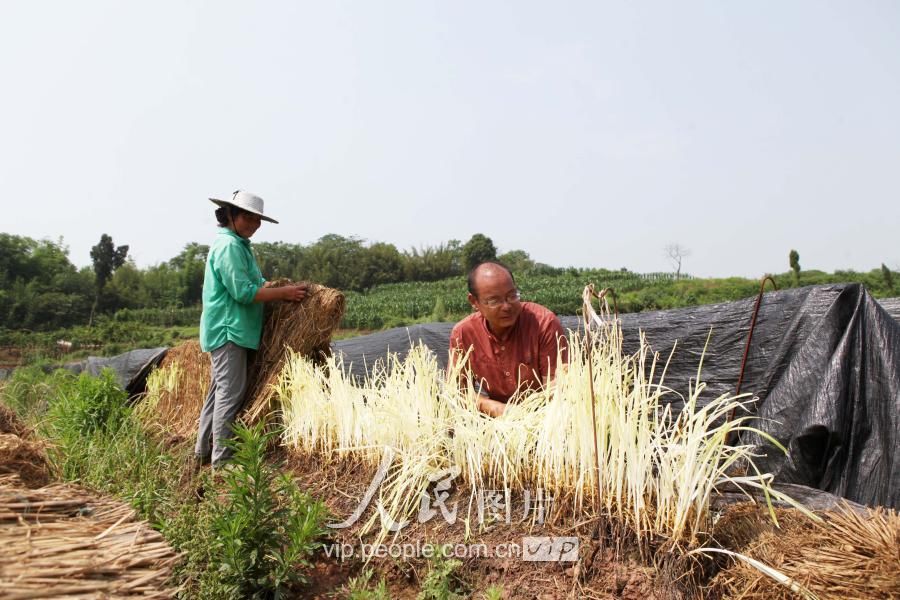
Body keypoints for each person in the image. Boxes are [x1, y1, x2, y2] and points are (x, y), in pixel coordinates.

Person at [195, 190, 307, 468]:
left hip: (233, 330)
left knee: (218, 393)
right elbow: (244, 292)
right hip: (228, 330)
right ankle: (222, 460)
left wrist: (274, 286)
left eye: (257, 220)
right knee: (230, 395)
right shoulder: (229, 247)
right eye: (248, 218)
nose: (254, 224)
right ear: (230, 215)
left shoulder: (238, 245)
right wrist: (285, 293)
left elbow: (255, 282)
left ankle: (201, 452)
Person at [449, 262, 569, 417]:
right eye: (494, 301)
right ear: (474, 302)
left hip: (545, 418)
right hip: (496, 422)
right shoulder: (464, 333)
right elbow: (458, 392)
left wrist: (524, 413)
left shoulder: (544, 323)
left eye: (512, 296)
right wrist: (494, 408)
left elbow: (557, 385)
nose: (506, 306)